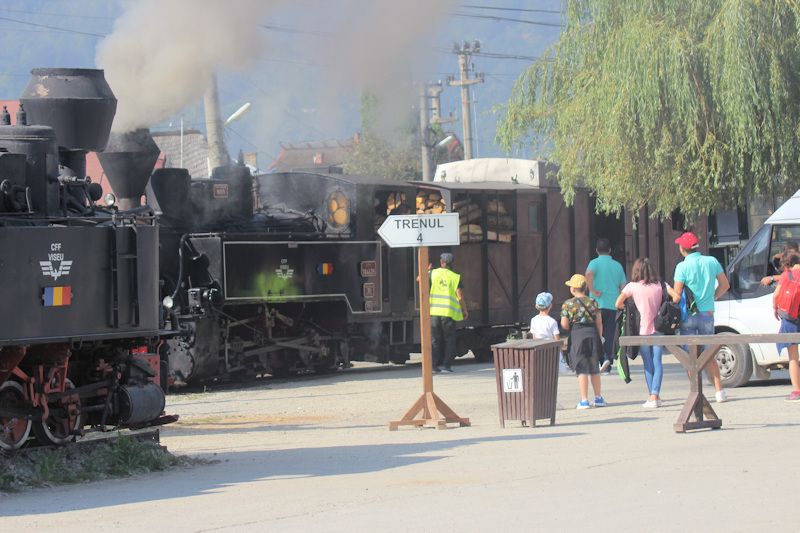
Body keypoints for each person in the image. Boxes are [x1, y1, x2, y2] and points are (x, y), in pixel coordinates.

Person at [671, 232, 730, 402]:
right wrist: (713, 297)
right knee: (709, 353)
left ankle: (696, 392)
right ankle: (719, 391)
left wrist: (668, 290)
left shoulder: (682, 267)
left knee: (691, 357)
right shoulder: (711, 261)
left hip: (688, 315)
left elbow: (677, 294)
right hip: (707, 313)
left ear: (683, 249)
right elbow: (725, 284)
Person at [616, 258, 678, 408]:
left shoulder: (632, 287)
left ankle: (653, 395)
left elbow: (617, 303)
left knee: (648, 364)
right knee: (658, 362)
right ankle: (654, 395)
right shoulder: (661, 285)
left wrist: (630, 307)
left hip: (642, 330)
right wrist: (665, 308)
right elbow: (676, 296)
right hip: (659, 328)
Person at [561, 274, 607, 409]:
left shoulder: (568, 304)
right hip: (593, 335)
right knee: (594, 368)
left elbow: (564, 325)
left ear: (574, 289)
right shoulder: (593, 302)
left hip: (577, 336)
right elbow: (599, 323)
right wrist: (599, 337)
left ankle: (584, 400)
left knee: (582, 369)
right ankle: (598, 398)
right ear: (585, 288)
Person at [586, 238, 627, 372]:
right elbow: (623, 286)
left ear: (597, 250)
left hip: (596, 304)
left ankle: (598, 360)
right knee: (609, 334)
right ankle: (607, 363)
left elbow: (589, 274)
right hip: (613, 304)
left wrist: (591, 290)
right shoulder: (618, 266)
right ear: (610, 250)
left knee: (596, 333)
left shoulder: (594, 263)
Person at [430, 252, 468, 373]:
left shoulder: (433, 273)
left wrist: (426, 272)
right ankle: (446, 366)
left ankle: (433, 366)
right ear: (451, 264)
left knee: (435, 339)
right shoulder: (455, 277)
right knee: (449, 340)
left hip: (435, 312)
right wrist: (464, 310)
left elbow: (419, 280)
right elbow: (460, 296)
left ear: (441, 262)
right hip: (448, 313)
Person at [772, 250, 800, 402]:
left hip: (791, 318)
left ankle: (796, 390)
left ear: (787, 264)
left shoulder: (786, 275)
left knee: (793, 357)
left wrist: (775, 309)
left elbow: (776, 295)